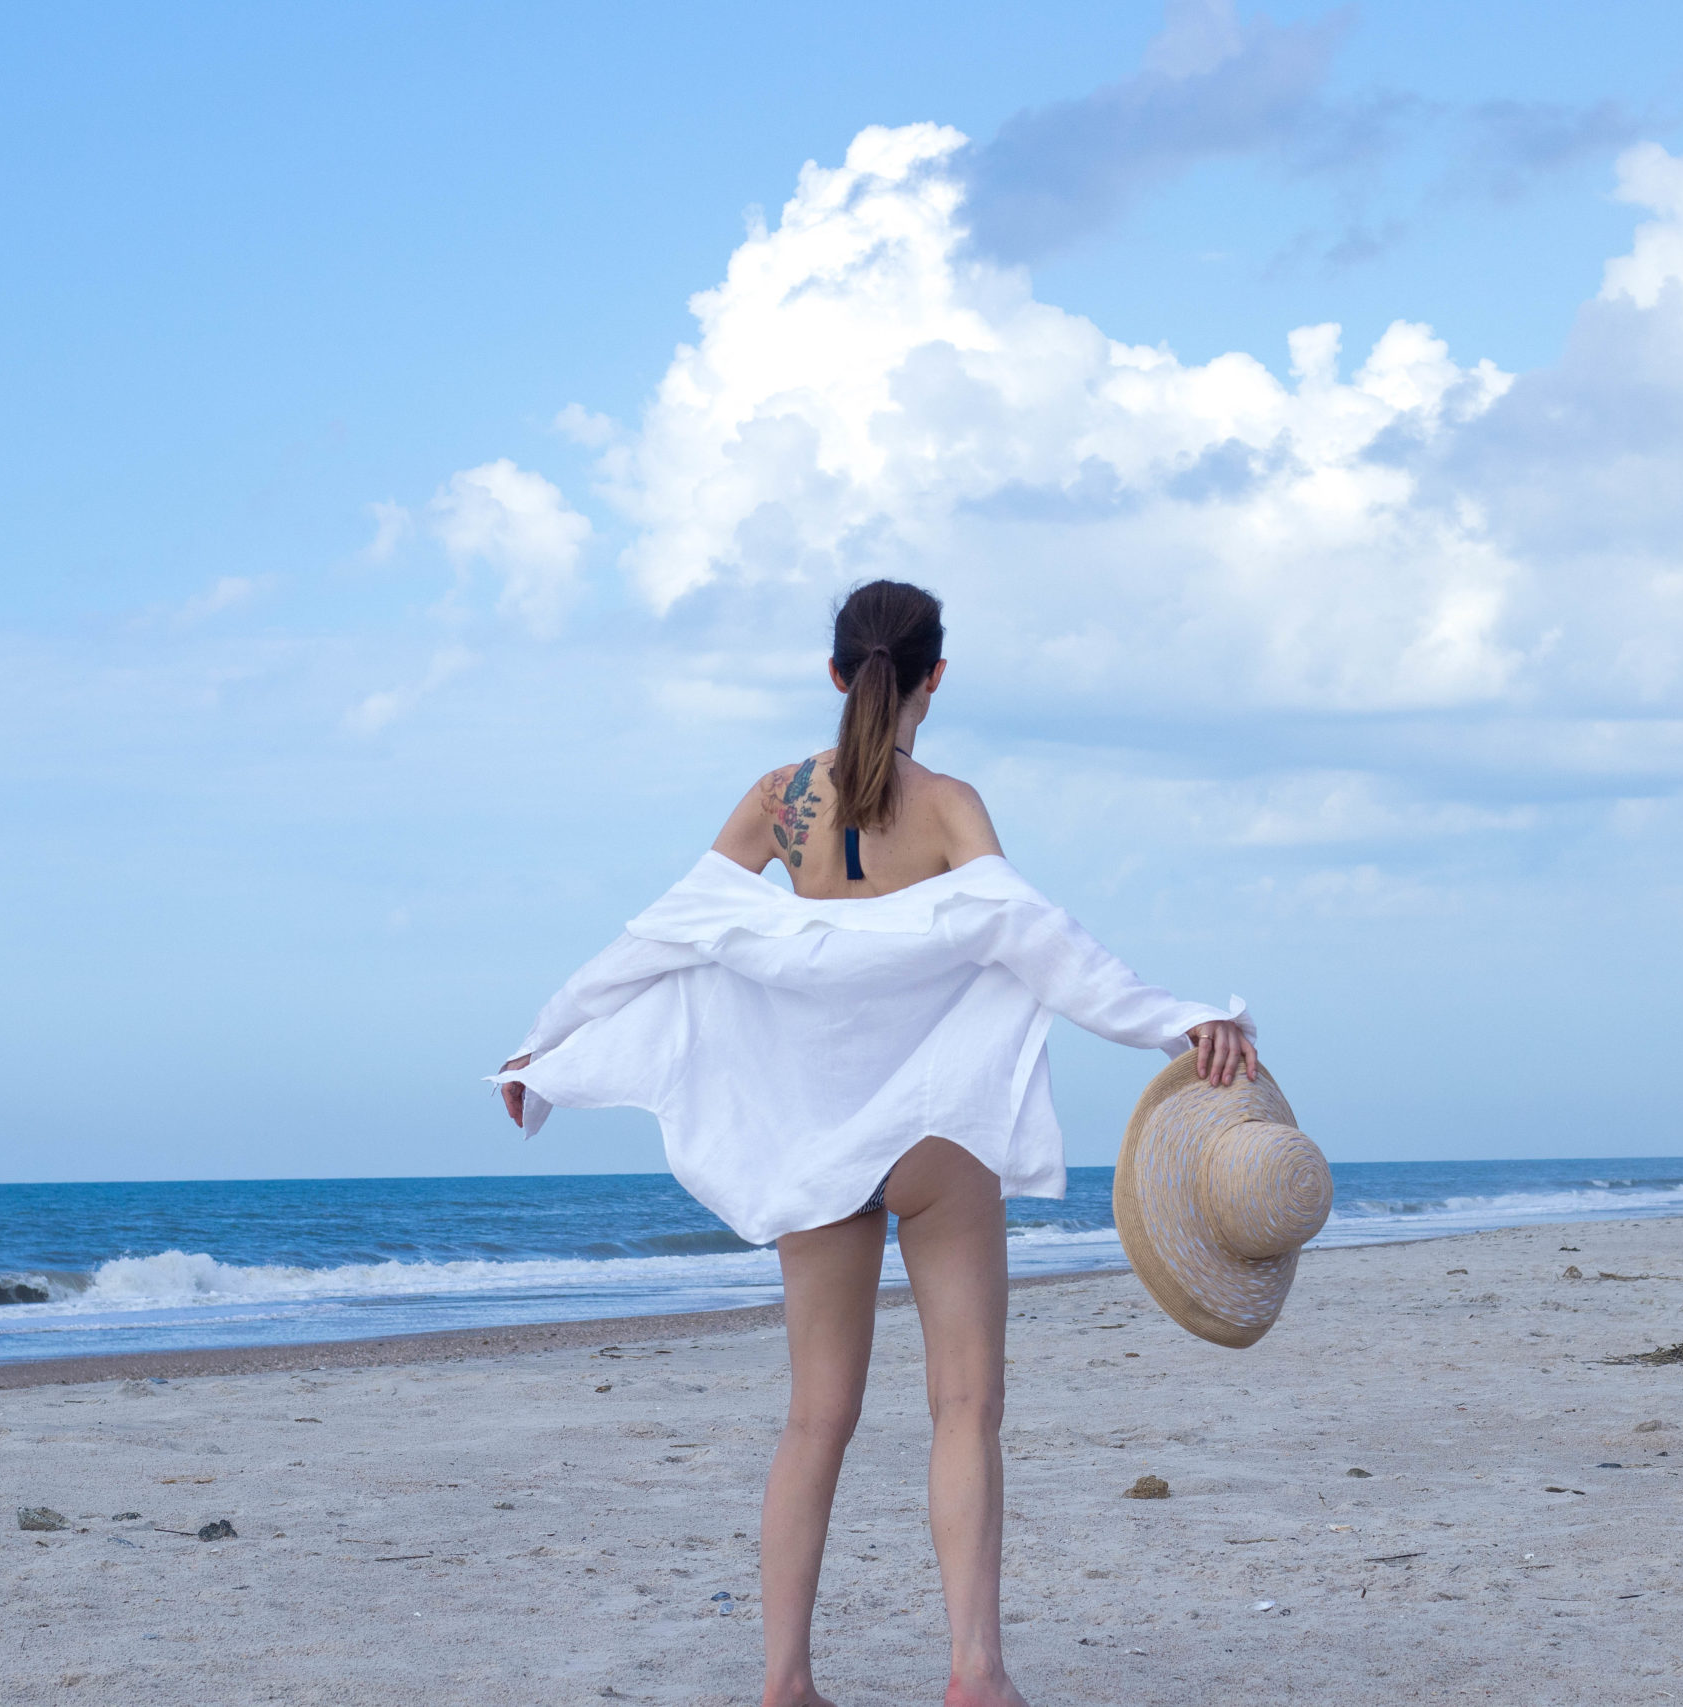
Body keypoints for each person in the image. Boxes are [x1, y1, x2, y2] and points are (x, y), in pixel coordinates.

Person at [495, 579, 1257, 1707]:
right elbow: (1045, 946)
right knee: (965, 1408)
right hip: (937, 1130)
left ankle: (787, 1681)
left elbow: (661, 935)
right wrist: (1176, 1017)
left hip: (808, 1136)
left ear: (835, 672)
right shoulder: (950, 804)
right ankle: (975, 1672)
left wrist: (538, 1047)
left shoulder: (775, 800)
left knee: (814, 1418)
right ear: (934, 679)